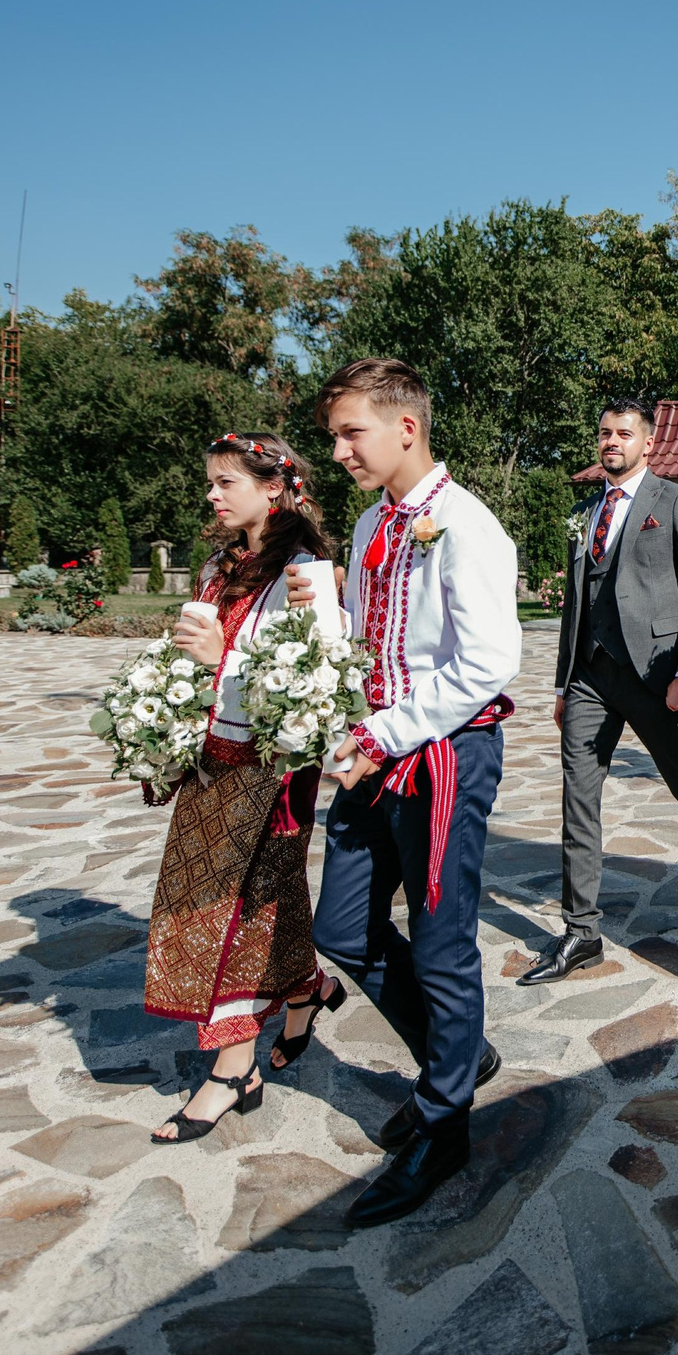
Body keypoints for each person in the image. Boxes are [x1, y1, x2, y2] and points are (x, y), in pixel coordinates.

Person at [289, 358, 523, 1228]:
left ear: (406, 428)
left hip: (444, 754)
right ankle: (457, 1054)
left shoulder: (466, 525)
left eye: (352, 432)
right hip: (373, 750)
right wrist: (341, 719)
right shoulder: (365, 528)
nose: (341, 450)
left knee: (440, 939)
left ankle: (444, 1118)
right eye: (337, 436)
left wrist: (385, 733)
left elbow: (488, 663)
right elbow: (359, 644)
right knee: (340, 926)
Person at [144, 433, 344, 1147]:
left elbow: (317, 679)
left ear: (272, 488)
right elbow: (192, 661)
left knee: (242, 905)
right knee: (272, 890)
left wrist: (220, 656)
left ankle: (234, 1067)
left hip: (271, 764)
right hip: (213, 757)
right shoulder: (217, 566)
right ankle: (306, 989)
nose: (212, 493)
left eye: (226, 480)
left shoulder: (303, 569)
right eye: (211, 481)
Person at [526, 398, 678, 987]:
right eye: (604, 432)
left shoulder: (676, 501)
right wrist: (562, 682)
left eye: (623, 433)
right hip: (590, 676)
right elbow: (577, 602)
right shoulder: (585, 509)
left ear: (648, 443)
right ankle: (581, 930)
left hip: (657, 675)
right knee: (578, 794)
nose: (611, 441)